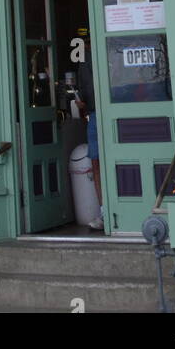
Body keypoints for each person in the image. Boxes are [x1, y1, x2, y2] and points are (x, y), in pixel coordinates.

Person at [75, 31, 104, 232]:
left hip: (114, 112)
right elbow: (83, 95)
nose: (86, 45)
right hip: (94, 114)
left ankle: (119, 209)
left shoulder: (114, 52)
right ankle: (104, 211)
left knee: (108, 161)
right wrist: (81, 103)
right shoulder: (84, 64)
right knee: (97, 162)